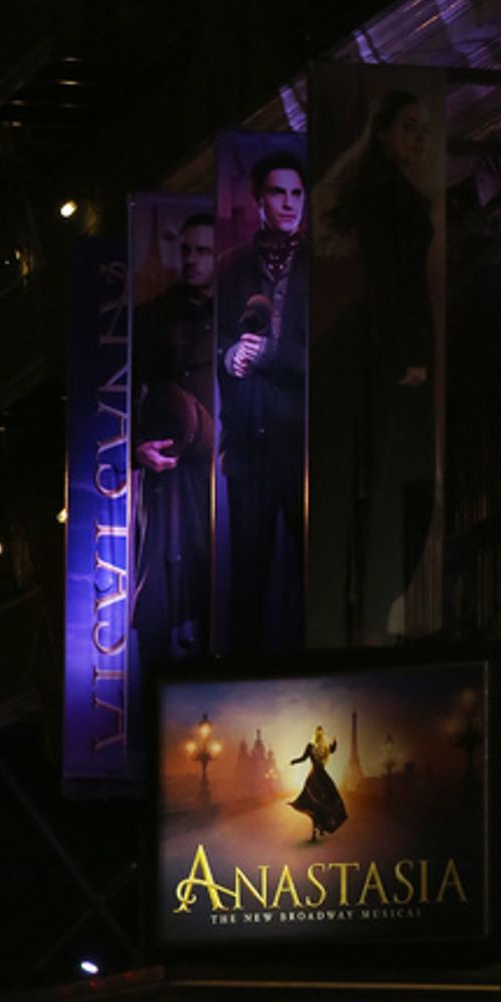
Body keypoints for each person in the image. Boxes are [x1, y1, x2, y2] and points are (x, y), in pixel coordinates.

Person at [314, 89, 441, 640]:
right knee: (396, 476)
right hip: (389, 349)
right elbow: (398, 283)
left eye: (424, 129)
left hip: (382, 346)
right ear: (385, 131)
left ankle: (369, 608)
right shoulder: (390, 197)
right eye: (410, 126)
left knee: (390, 479)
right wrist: (409, 357)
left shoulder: (384, 191)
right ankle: (370, 613)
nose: (419, 138)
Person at [217, 150, 307, 651]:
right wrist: (227, 357)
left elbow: (329, 355)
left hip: (301, 448)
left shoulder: (319, 265)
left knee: (309, 574)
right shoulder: (231, 267)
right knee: (246, 581)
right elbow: (211, 346)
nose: (289, 203)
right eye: (278, 192)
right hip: (248, 449)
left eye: (296, 193)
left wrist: (275, 355)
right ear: (259, 201)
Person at [131, 212, 216, 662]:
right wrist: (135, 449)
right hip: (166, 477)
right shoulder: (155, 316)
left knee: (216, 586)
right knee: (160, 598)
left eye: (203, 251)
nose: (191, 260)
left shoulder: (237, 313)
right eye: (186, 250)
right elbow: (122, 392)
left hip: (220, 474)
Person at [289, 724, 347, 842]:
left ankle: (318, 828)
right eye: (319, 733)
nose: (319, 735)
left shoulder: (314, 746)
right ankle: (319, 828)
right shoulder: (321, 747)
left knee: (316, 803)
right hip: (320, 777)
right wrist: (294, 761)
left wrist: (294, 761)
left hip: (315, 777)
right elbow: (332, 750)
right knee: (320, 802)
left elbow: (304, 758)